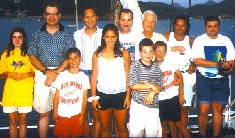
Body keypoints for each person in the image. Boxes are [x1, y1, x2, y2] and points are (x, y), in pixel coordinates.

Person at [27, 1, 75, 138]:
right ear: (44, 15)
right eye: (49, 14)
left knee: (63, 113)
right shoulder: (37, 34)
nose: (52, 17)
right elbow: (31, 55)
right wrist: (46, 71)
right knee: (43, 114)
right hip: (42, 75)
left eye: (54, 14)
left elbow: (71, 55)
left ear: (59, 15)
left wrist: (56, 72)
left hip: (63, 74)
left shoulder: (67, 34)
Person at [191, 15, 235, 137]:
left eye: (215, 26)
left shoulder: (226, 40)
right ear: (205, 27)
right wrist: (218, 64)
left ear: (219, 26)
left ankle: (216, 136)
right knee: (203, 111)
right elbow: (197, 61)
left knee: (218, 110)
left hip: (222, 80)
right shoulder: (199, 40)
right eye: (209, 26)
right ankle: (202, 135)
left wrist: (230, 67)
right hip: (204, 79)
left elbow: (232, 60)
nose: (212, 28)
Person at [91, 24, 130, 137]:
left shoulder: (124, 53)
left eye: (113, 37)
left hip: (121, 94)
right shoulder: (97, 55)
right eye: (107, 37)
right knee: (105, 128)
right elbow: (93, 77)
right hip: (103, 95)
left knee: (121, 127)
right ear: (103, 37)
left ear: (117, 37)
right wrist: (94, 97)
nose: (110, 40)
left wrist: (128, 96)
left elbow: (128, 75)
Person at [163, 14, 195, 137]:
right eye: (177, 25)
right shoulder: (166, 37)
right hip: (169, 80)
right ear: (173, 25)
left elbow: (196, 60)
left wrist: (194, 65)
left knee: (183, 112)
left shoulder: (191, 41)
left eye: (183, 25)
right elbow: (157, 51)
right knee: (171, 113)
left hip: (186, 80)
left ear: (187, 27)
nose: (180, 28)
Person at [0, 27, 35, 138]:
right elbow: (1, 73)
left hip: (25, 92)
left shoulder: (30, 54)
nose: (17, 39)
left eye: (19, 37)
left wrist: (26, 74)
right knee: (11, 121)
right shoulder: (6, 53)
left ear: (23, 39)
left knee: (23, 121)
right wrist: (9, 74)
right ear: (11, 39)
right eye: (14, 37)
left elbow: (36, 72)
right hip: (10, 92)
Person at [73, 6, 102, 137]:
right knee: (82, 111)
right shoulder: (76, 35)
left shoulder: (103, 34)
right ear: (83, 19)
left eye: (92, 16)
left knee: (97, 111)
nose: (90, 19)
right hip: (82, 74)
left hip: (100, 75)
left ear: (97, 17)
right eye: (87, 17)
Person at [155, 41, 191, 138]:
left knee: (179, 124)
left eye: (163, 51)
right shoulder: (152, 66)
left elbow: (180, 77)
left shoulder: (170, 63)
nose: (160, 53)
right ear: (154, 51)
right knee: (163, 126)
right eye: (158, 50)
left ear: (166, 53)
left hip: (173, 98)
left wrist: (181, 95)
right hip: (160, 100)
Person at [128, 38, 162, 137]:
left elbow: (159, 85)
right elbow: (133, 85)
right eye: (144, 51)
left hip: (153, 106)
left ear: (154, 52)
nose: (148, 54)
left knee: (152, 133)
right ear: (140, 53)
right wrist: (151, 86)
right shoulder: (135, 65)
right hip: (138, 105)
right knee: (136, 132)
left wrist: (152, 93)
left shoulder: (156, 67)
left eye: (150, 51)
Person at [52, 48, 89, 138]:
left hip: (77, 113)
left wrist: (82, 116)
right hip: (62, 113)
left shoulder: (83, 77)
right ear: (67, 61)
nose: (73, 60)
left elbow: (84, 99)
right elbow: (56, 95)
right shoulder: (62, 75)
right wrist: (54, 112)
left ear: (80, 59)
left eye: (76, 57)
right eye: (70, 58)